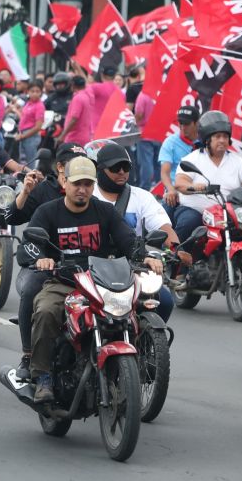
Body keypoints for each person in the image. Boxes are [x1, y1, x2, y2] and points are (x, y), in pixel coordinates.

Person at [26, 156, 160, 404]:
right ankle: (42, 376)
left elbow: (128, 240)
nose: (82, 189)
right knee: (45, 311)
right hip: (63, 283)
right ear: (65, 182)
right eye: (77, 183)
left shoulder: (105, 211)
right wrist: (43, 259)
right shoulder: (48, 212)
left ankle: (135, 368)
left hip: (101, 284)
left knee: (134, 311)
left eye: (88, 184)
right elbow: (31, 246)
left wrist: (147, 257)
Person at [172, 111, 242, 245]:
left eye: (225, 136)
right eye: (217, 136)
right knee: (188, 223)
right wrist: (197, 187)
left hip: (228, 215)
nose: (222, 140)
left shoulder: (238, 161)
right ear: (207, 139)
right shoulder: (192, 159)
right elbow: (180, 183)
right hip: (196, 212)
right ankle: (180, 260)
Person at [158, 106, 200, 216]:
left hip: (200, 191)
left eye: (186, 124)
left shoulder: (205, 141)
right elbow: (164, 172)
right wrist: (171, 190)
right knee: (164, 217)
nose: (182, 127)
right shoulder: (170, 142)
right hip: (176, 191)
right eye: (180, 123)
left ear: (196, 123)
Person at [15, 80, 46, 167]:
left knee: (30, 163)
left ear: (41, 92)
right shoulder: (28, 103)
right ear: (28, 92)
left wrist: (23, 136)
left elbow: (38, 127)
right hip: (23, 135)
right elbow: (24, 118)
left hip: (31, 136)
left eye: (37, 91)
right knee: (23, 162)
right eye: (32, 91)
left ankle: (32, 179)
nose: (35, 94)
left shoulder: (39, 106)